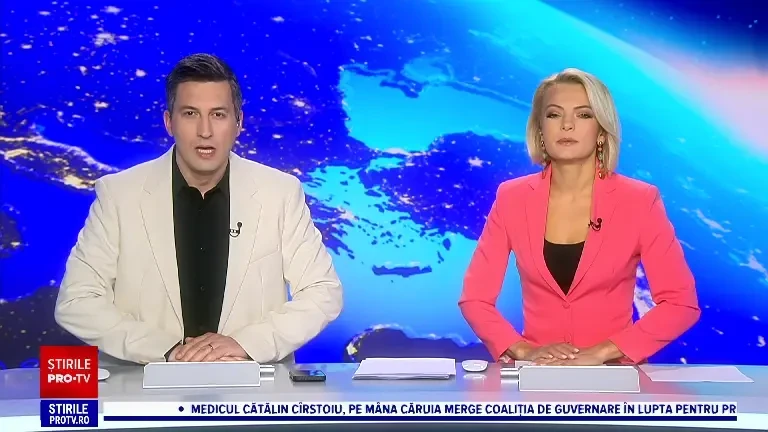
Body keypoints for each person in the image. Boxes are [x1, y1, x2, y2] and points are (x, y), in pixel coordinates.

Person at [55, 53, 343, 365]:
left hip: (251, 384)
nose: (205, 131)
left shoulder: (279, 193)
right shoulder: (120, 195)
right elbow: (77, 301)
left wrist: (245, 343)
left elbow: (322, 292)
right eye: (190, 113)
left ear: (238, 123)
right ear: (169, 122)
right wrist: (167, 350)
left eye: (218, 115)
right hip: (145, 384)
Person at [458, 68, 700, 366]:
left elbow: (680, 303)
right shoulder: (512, 198)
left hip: (613, 376)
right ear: (540, 131)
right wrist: (522, 349)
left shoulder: (639, 200)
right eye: (554, 115)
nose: (567, 125)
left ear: (601, 132)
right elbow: (475, 299)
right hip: (538, 374)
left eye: (584, 115)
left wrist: (601, 352)